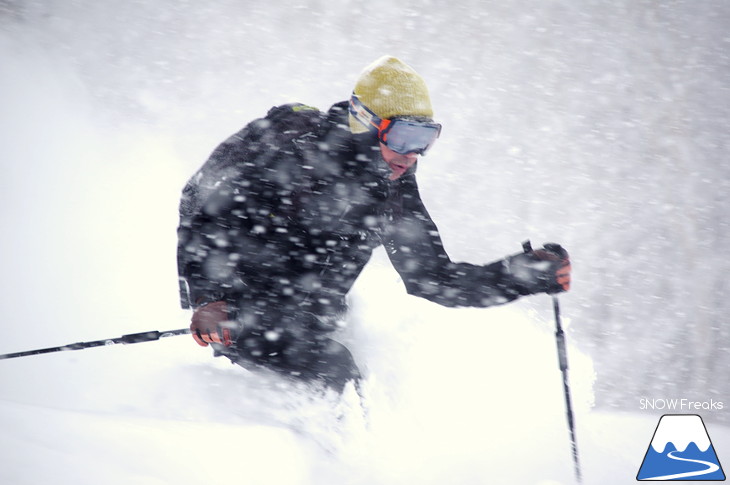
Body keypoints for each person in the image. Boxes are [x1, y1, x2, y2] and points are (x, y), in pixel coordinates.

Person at [176, 56, 571, 392]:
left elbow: (433, 278)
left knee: (349, 367)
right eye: (403, 136)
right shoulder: (288, 152)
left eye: (425, 139)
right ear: (365, 123)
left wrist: (523, 275)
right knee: (337, 373)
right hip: (242, 311)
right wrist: (210, 299)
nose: (412, 155)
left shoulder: (392, 187)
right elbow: (202, 216)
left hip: (311, 315)